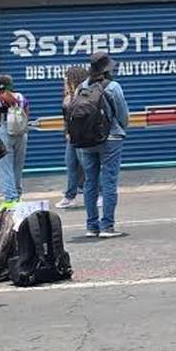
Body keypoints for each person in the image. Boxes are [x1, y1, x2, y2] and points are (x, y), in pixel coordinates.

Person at [77, 52, 131, 237]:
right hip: (110, 139)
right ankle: (107, 225)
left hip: (86, 140)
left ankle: (91, 226)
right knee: (109, 181)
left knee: (90, 182)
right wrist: (120, 128)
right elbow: (122, 115)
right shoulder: (113, 87)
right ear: (108, 68)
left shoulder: (82, 87)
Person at [0, 74, 29, 211]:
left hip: (4, 134)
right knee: (17, 167)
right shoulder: (20, 97)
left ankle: (10, 199)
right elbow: (26, 112)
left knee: (4, 167)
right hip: (21, 133)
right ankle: (18, 196)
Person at [56, 66, 89, 209]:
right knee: (71, 164)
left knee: (88, 166)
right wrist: (67, 133)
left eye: (66, 78)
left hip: (82, 136)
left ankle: (99, 193)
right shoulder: (69, 97)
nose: (64, 81)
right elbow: (67, 119)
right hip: (71, 137)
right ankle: (70, 196)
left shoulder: (85, 95)